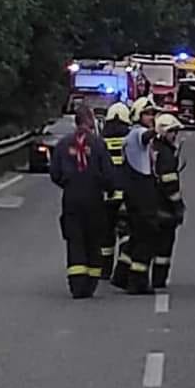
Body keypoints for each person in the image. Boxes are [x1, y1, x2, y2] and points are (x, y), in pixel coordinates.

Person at [49, 104, 114, 299]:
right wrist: (108, 189)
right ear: (89, 121)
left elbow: (55, 173)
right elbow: (109, 174)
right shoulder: (98, 144)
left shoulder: (63, 144)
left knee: (75, 241)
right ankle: (90, 284)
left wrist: (69, 184)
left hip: (71, 199)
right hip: (94, 199)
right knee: (93, 241)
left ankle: (77, 285)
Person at [120, 96, 159, 294]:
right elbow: (146, 136)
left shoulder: (131, 134)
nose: (151, 117)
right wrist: (159, 130)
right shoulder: (137, 133)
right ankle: (138, 281)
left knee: (136, 236)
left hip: (135, 190)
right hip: (141, 191)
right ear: (137, 115)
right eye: (147, 114)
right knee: (146, 236)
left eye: (153, 114)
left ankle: (121, 274)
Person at [151, 113, 185, 289]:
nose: (175, 136)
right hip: (164, 208)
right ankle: (159, 279)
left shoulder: (154, 149)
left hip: (152, 205)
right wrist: (178, 206)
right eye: (172, 132)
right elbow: (169, 183)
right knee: (164, 247)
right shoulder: (165, 154)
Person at [100, 101, 131, 283]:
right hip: (126, 196)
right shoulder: (130, 140)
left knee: (106, 235)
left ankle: (105, 270)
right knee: (126, 233)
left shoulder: (101, 141)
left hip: (107, 196)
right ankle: (122, 268)